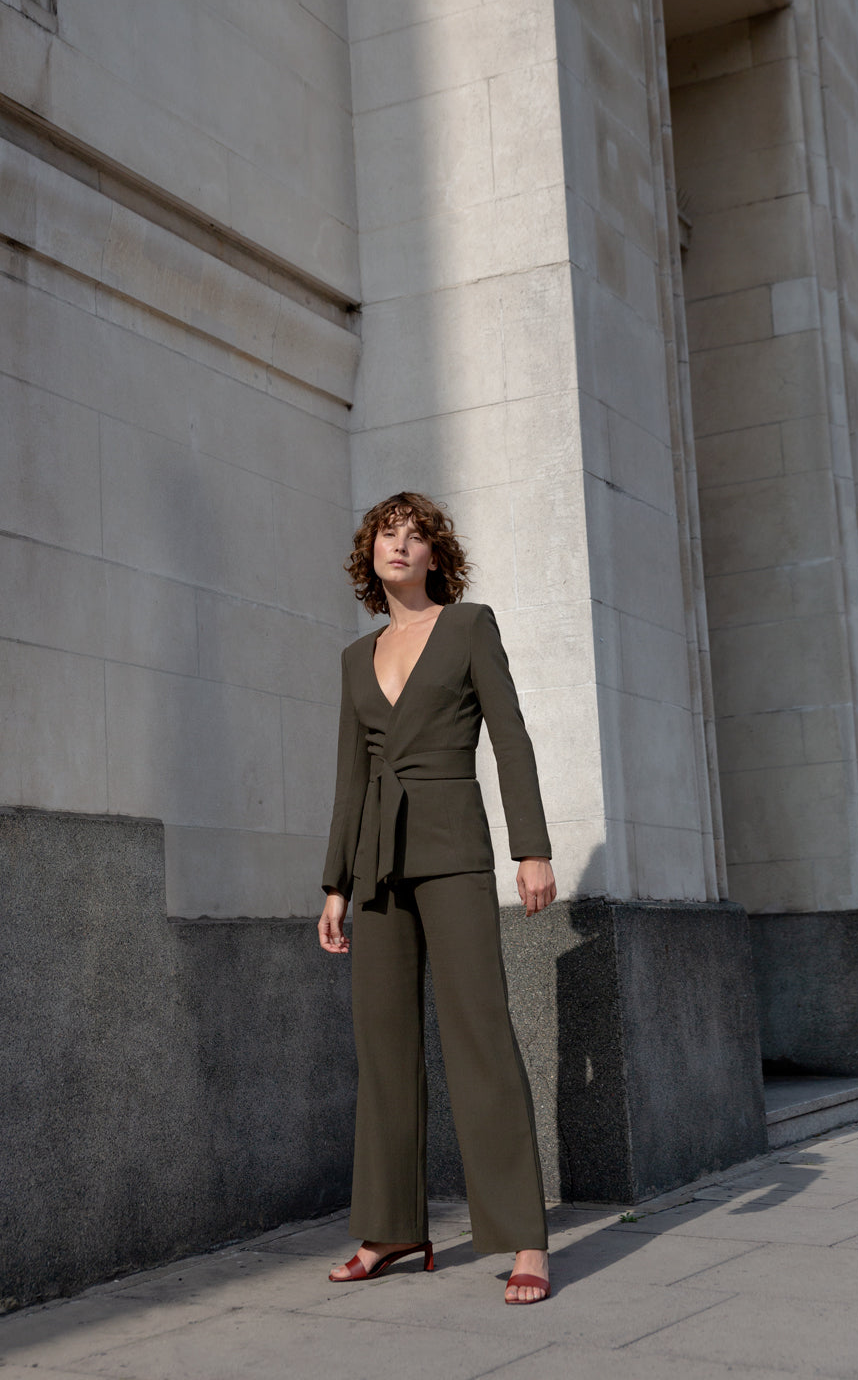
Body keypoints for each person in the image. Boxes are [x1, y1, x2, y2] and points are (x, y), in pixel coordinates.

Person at [318, 491, 557, 1306]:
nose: (400, 545)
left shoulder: (468, 627)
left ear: (434, 555)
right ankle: (392, 1230)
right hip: (376, 861)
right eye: (388, 534)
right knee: (382, 1045)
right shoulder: (356, 657)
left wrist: (531, 848)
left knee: (478, 1032)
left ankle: (524, 1237)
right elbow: (352, 778)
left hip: (453, 848)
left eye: (416, 536)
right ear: (370, 553)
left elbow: (511, 734)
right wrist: (334, 886)